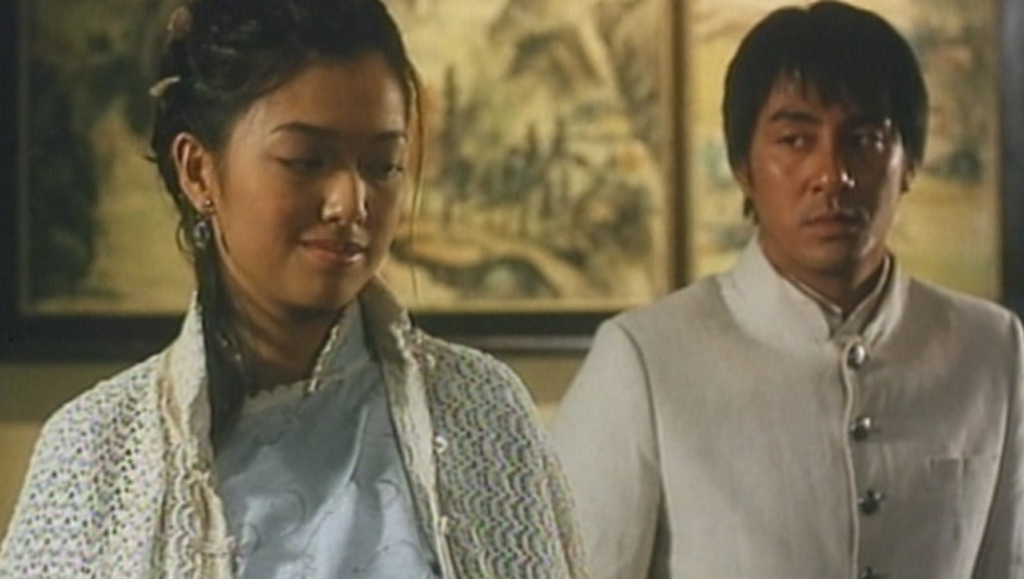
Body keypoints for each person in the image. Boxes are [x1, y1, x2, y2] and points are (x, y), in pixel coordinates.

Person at [0, 0, 584, 577]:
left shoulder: (482, 413)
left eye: (381, 165)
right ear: (198, 170)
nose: (350, 203)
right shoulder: (95, 451)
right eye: (306, 161)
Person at [552, 2, 1024, 578]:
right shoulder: (645, 358)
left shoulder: (989, 347)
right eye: (796, 140)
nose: (832, 174)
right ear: (743, 166)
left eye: (865, 139)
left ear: (909, 164)